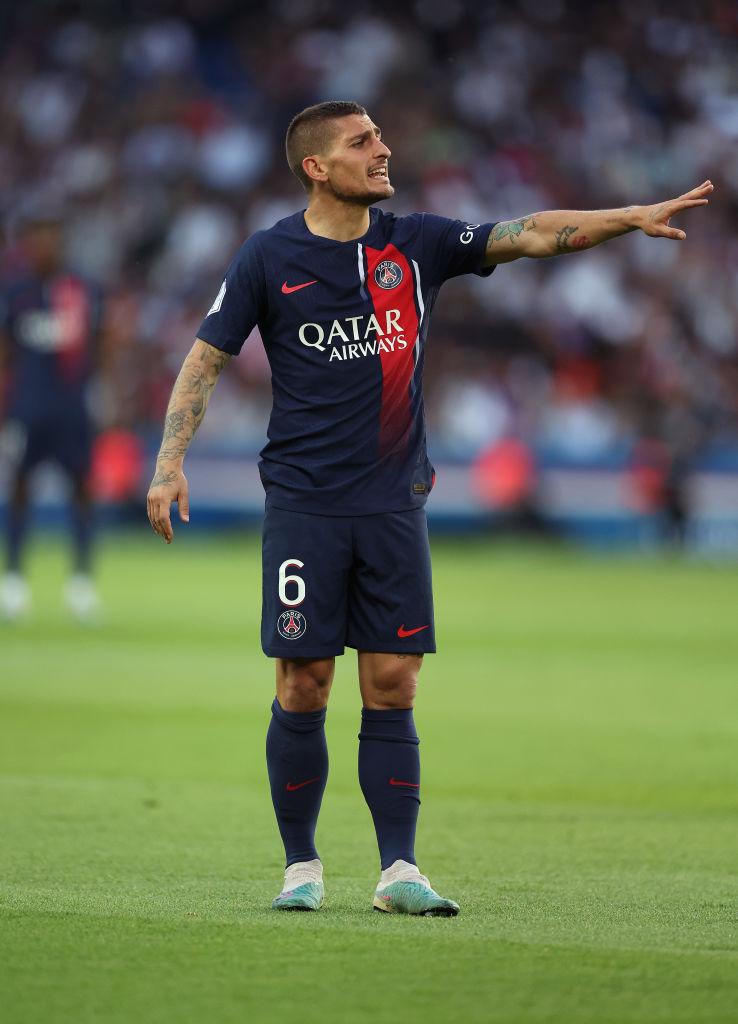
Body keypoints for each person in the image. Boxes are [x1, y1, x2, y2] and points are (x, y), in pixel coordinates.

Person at [146, 100, 712, 915]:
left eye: (379, 135)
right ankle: (301, 868)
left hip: (393, 503)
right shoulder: (269, 255)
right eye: (361, 141)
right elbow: (206, 359)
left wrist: (626, 217)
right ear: (316, 166)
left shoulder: (416, 244)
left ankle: (398, 871)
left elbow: (528, 233)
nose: (383, 149)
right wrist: (168, 465)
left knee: (394, 682)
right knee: (304, 683)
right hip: (305, 504)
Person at [0, 209, 104, 622]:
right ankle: (14, 578)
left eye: (51, 237)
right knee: (20, 487)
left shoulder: (83, 289)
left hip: (71, 408)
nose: (44, 246)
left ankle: (81, 581)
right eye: (37, 238)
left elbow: (99, 345)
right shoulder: (15, 293)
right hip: (26, 409)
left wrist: (101, 395)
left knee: (81, 489)